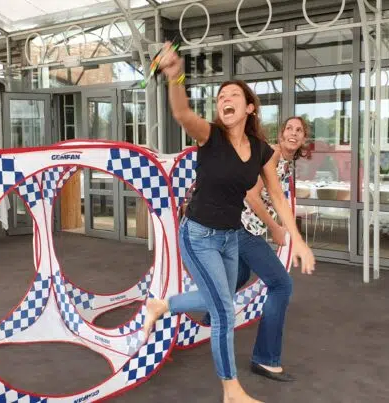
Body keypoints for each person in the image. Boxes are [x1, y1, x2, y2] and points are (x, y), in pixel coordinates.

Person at [142, 42, 315, 403]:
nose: (225, 99)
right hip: (198, 234)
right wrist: (175, 76)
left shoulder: (261, 150)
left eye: (234, 94)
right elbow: (181, 113)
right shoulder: (210, 135)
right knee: (223, 310)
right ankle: (231, 390)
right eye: (221, 96)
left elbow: (277, 197)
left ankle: (162, 305)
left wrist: (297, 239)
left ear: (249, 107)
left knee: (219, 298)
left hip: (230, 238)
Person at [199, 117, 310, 383]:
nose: (293, 133)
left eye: (299, 130)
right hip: (242, 228)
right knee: (281, 285)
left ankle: (206, 320)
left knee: (237, 276)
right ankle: (265, 359)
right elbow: (251, 195)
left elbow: (275, 198)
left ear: (303, 139)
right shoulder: (272, 156)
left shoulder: (285, 163)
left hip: (242, 227)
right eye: (289, 129)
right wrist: (275, 227)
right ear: (281, 134)